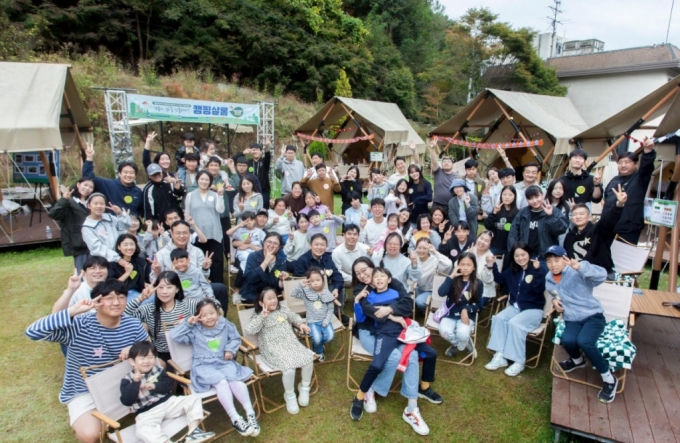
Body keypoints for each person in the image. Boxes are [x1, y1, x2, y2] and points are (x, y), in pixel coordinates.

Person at [25, 279, 148, 443]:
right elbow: (32, 332)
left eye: (121, 297)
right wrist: (72, 311)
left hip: (122, 383)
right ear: (97, 301)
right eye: (109, 298)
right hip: (84, 389)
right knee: (90, 435)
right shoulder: (79, 325)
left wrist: (135, 349)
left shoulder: (132, 324)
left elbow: (148, 348)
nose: (116, 302)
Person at [350, 258, 442, 433]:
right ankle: (371, 390)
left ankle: (411, 408)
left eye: (364, 270)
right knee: (392, 357)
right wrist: (392, 315)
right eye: (357, 273)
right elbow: (369, 312)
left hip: (393, 330)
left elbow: (407, 304)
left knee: (413, 355)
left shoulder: (391, 282)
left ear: (373, 267)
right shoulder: (360, 290)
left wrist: (390, 310)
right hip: (368, 331)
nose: (362, 275)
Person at [170, 298, 260, 435]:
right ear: (198, 317)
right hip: (203, 365)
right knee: (221, 382)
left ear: (218, 312)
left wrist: (230, 350)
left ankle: (250, 413)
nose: (208, 317)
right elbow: (174, 336)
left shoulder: (225, 325)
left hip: (223, 361)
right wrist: (188, 323)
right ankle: (235, 418)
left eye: (211, 313)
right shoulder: (195, 329)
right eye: (203, 315)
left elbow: (235, 338)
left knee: (234, 378)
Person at [545, 246, 618, 403]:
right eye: (549, 261)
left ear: (564, 259)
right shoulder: (549, 278)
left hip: (593, 316)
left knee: (584, 341)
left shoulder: (577, 270)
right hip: (572, 317)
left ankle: (609, 379)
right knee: (568, 340)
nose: (553, 265)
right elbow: (555, 294)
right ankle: (578, 361)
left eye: (557, 260)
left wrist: (580, 267)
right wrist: (554, 301)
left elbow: (602, 276)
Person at [119, 341, 215, 443]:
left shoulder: (158, 370)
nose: (146, 361)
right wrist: (135, 382)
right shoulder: (127, 379)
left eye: (151, 357)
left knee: (194, 398)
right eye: (142, 358)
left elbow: (168, 386)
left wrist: (155, 386)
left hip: (167, 403)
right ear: (133, 362)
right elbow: (127, 401)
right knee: (142, 431)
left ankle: (194, 433)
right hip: (146, 413)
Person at [245, 288, 316, 414]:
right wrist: (262, 316)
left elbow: (293, 316)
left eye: (274, 297)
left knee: (308, 360)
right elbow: (250, 330)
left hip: (291, 344)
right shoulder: (258, 315)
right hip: (273, 348)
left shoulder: (282, 309)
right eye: (269, 298)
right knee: (289, 369)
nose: (273, 300)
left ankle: (304, 387)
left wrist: (300, 324)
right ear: (261, 303)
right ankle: (290, 396)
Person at [485, 242, 546, 377]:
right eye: (517, 255)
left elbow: (538, 289)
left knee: (515, 324)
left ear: (529, 254)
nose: (520, 258)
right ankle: (500, 354)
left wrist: (537, 271)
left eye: (523, 254)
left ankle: (519, 361)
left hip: (533, 310)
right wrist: (492, 265)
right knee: (499, 318)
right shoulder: (514, 270)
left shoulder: (537, 269)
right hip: (516, 307)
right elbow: (500, 279)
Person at [125, 271, 207, 362]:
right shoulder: (149, 309)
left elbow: (213, 308)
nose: (164, 291)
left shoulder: (188, 304)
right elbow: (125, 314)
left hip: (189, 352)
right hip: (162, 356)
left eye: (169, 287)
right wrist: (141, 298)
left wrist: (192, 322)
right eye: (160, 287)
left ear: (177, 289)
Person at [151, 220, 228, 310]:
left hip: (196, 287)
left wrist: (205, 268)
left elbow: (203, 277)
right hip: (175, 291)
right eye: (178, 233)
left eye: (185, 233)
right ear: (171, 234)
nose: (182, 236)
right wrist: (157, 272)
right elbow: (154, 281)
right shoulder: (162, 254)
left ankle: (217, 318)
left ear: (189, 234)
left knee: (220, 288)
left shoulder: (196, 251)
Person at [564, 185, 627, 280]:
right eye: (575, 215)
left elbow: (608, 220)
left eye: (581, 214)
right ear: (572, 219)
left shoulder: (598, 230)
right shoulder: (570, 236)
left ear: (589, 217)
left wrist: (619, 204)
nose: (578, 217)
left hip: (600, 273)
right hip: (579, 274)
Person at [603, 137, 656, 244]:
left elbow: (646, 167)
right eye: (620, 162)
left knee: (623, 258)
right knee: (605, 257)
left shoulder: (640, 178)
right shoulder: (614, 180)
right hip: (608, 226)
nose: (623, 165)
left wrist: (648, 151)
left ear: (636, 164)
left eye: (627, 162)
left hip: (629, 227)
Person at [437, 252, 482, 358]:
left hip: (466, 317)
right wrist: (451, 276)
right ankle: (464, 344)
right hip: (450, 314)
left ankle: (458, 345)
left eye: (468, 265)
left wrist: (466, 309)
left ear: (474, 267)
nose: (465, 268)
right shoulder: (452, 280)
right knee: (444, 332)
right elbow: (441, 293)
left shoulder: (478, 283)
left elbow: (479, 304)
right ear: (458, 265)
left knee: (462, 334)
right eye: (462, 264)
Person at [184, 170, 226, 284]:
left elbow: (220, 210)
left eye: (207, 180)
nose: (204, 181)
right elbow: (187, 215)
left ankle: (217, 286)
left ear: (210, 182)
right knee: (198, 261)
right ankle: (200, 285)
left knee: (216, 261)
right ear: (197, 180)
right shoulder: (190, 195)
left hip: (214, 233)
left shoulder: (215, 195)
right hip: (197, 234)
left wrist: (220, 196)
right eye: (202, 179)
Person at [508, 185, 569, 261]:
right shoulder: (523, 212)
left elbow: (561, 229)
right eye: (530, 198)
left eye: (537, 197)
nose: (534, 201)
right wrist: (515, 251)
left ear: (542, 195)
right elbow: (513, 233)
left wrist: (550, 216)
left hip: (546, 255)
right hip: (526, 255)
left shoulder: (553, 210)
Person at [82, 143, 143, 215]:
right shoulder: (107, 184)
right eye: (125, 172)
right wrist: (89, 158)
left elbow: (140, 212)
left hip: (130, 225)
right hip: (110, 223)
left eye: (131, 173)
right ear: (119, 174)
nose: (128, 175)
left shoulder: (138, 192)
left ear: (135, 175)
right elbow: (88, 178)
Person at [48, 178, 95, 271]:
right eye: (85, 185)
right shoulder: (69, 201)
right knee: (82, 272)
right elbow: (53, 214)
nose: (87, 188)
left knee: (95, 270)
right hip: (78, 243)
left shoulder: (91, 202)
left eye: (91, 187)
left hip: (92, 243)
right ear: (78, 185)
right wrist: (64, 200)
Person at [290, 267, 336, 361]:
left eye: (318, 280)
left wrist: (326, 321)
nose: (315, 283)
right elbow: (293, 294)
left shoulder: (327, 293)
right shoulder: (306, 292)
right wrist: (300, 285)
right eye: (312, 281)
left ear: (323, 281)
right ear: (308, 282)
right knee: (317, 338)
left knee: (330, 336)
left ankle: (317, 345)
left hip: (324, 320)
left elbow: (331, 308)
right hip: (312, 321)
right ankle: (319, 351)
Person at [293, 234, 345, 311]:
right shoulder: (302, 260)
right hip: (310, 290)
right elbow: (299, 280)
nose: (319, 247)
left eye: (322, 245)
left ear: (326, 247)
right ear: (310, 245)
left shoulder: (327, 258)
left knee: (339, 287)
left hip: (325, 287)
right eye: (316, 244)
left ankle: (338, 313)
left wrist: (336, 289)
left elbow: (337, 275)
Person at [239, 232, 290, 304]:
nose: (271, 245)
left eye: (275, 243)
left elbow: (277, 285)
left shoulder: (281, 261)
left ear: (279, 247)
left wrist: (282, 280)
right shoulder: (253, 256)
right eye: (269, 242)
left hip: (271, 295)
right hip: (253, 294)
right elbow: (250, 279)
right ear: (264, 242)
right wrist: (266, 262)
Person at [81, 193, 132, 262]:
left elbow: (126, 226)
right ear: (89, 206)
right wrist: (117, 258)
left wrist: (120, 214)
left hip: (120, 256)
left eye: (102, 204)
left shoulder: (110, 218)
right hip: (102, 261)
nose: (99, 206)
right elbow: (97, 248)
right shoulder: (87, 227)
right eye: (95, 204)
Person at [412, 238, 453, 312]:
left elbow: (448, 264)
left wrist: (434, 251)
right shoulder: (414, 259)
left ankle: (428, 312)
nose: (421, 251)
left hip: (431, 290)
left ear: (429, 249)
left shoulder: (434, 260)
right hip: (418, 288)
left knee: (419, 301)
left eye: (425, 248)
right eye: (419, 248)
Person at [108, 234, 148, 301]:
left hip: (138, 293)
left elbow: (142, 282)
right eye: (125, 245)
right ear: (119, 247)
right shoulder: (112, 264)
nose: (129, 247)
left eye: (132, 244)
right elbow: (111, 286)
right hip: (120, 295)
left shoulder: (141, 262)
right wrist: (127, 273)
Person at [232, 140, 272, 205]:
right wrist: (243, 153)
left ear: (261, 152)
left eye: (257, 150)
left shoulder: (264, 162)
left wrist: (267, 147)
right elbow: (233, 161)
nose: (255, 151)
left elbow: (268, 157)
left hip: (264, 190)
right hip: (250, 190)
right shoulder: (248, 162)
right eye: (253, 150)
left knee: (263, 209)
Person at [332, 223, 371, 290]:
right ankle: (343, 295)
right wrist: (353, 278)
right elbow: (338, 270)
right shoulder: (336, 252)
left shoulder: (365, 249)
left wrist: (362, 276)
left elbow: (370, 266)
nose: (352, 237)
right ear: (343, 235)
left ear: (358, 236)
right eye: (349, 234)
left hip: (363, 276)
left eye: (355, 234)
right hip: (347, 279)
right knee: (336, 280)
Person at [483, 185, 519, 257]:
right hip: (494, 246)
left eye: (510, 195)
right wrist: (494, 213)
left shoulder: (517, 213)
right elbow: (487, 225)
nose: (507, 197)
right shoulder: (496, 209)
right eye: (504, 194)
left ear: (514, 197)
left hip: (509, 247)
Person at [427, 139, 458, 210]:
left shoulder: (457, 176)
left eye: (448, 162)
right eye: (444, 162)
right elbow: (434, 162)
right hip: (437, 204)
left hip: (452, 205)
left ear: (452, 164)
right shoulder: (438, 172)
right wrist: (432, 149)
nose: (446, 163)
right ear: (441, 164)